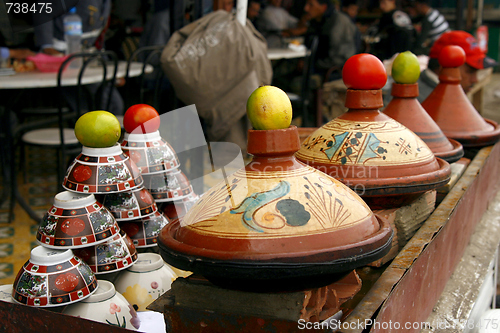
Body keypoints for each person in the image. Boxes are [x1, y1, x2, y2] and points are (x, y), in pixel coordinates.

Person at [33, 1, 124, 115]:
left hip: (90, 59)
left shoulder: (105, 3)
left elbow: (97, 37)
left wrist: (111, 72)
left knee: (112, 105)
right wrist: (46, 45)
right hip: (65, 59)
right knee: (103, 106)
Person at [417, 30, 498, 103]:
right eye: (470, 71)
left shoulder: (446, 96)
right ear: (446, 68)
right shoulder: (430, 104)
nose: (475, 80)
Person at [303, 0, 358, 81]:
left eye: (311, 5)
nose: (306, 8)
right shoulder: (317, 21)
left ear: (323, 7)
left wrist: (312, 64)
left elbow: (339, 58)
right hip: (318, 68)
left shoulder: (338, 22)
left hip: (334, 73)